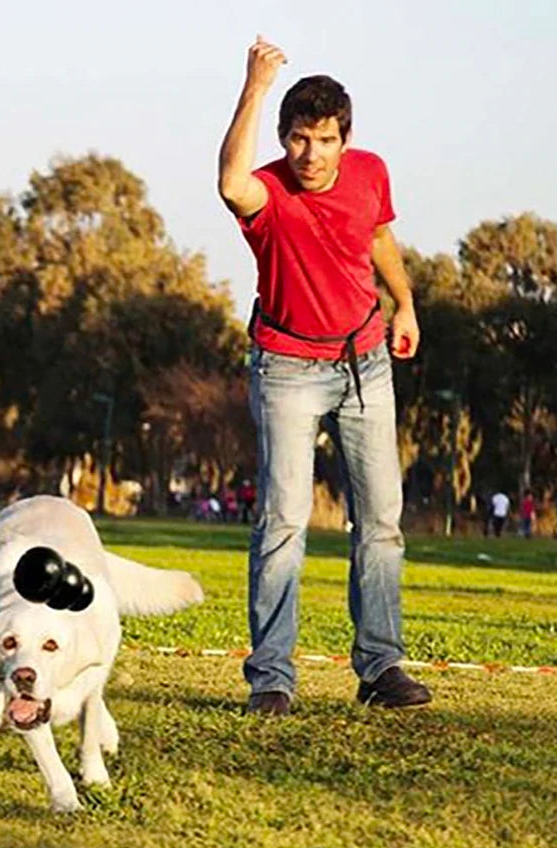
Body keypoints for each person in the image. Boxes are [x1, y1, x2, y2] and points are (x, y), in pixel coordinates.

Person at [218, 36, 430, 715]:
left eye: (326, 139)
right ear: (284, 139)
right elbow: (229, 182)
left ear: (346, 140)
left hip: (365, 360)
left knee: (382, 521)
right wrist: (253, 87)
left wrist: (405, 303)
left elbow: (377, 240)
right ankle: (272, 679)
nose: (312, 154)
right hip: (286, 367)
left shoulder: (370, 173)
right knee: (282, 522)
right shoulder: (268, 194)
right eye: (300, 139)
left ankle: (381, 668)